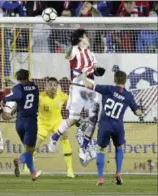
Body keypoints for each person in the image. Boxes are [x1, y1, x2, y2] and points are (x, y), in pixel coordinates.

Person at [48, 29, 106, 165]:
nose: (88, 38)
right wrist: (71, 44)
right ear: (81, 39)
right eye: (86, 36)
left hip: (91, 88)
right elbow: (69, 60)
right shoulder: (74, 49)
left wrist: (98, 71)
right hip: (78, 86)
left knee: (93, 120)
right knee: (73, 119)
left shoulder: (92, 54)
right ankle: (54, 138)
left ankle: (84, 148)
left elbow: (94, 70)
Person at [81, 70, 142, 185]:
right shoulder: (128, 95)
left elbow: (88, 85)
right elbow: (138, 112)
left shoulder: (108, 89)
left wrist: (84, 76)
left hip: (105, 125)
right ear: (126, 80)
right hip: (118, 127)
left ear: (115, 79)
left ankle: (100, 179)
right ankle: (118, 173)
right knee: (119, 147)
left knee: (100, 150)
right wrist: (140, 112)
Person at [2, 69, 41, 181]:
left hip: (19, 122)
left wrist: (10, 113)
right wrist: (5, 99)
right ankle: (19, 160)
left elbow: (18, 100)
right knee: (30, 150)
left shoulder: (17, 87)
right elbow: (19, 97)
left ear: (18, 78)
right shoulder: (35, 87)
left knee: (28, 149)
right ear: (28, 76)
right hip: (30, 122)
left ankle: (33, 174)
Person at [34, 77, 75, 178]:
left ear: (57, 87)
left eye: (55, 85)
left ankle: (70, 170)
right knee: (35, 145)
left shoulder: (62, 96)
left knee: (65, 138)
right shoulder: (40, 96)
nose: (52, 87)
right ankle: (27, 167)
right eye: (50, 85)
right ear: (46, 86)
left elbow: (72, 102)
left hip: (57, 122)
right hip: (43, 124)